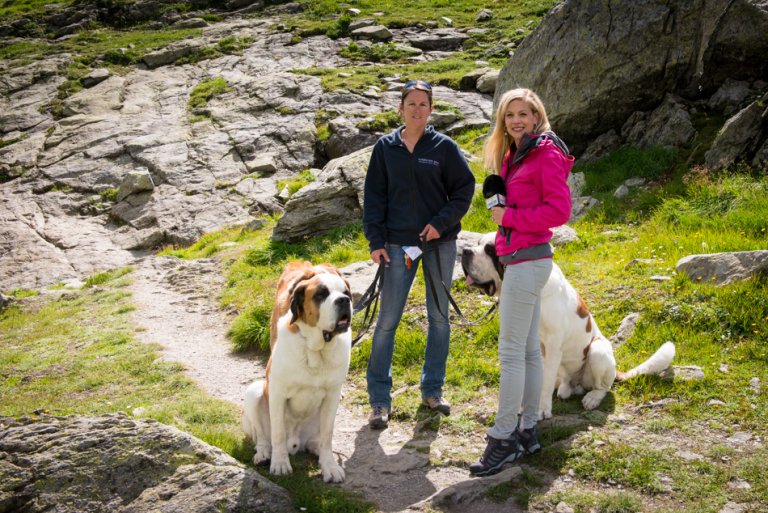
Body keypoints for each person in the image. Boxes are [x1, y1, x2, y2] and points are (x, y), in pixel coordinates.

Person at [469, 88, 573, 476]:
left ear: (536, 117)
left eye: (523, 114)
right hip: (522, 260)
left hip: (529, 260)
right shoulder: (518, 154)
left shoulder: (544, 152)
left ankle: (502, 438)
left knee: (511, 353)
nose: (515, 120)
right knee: (529, 351)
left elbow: (559, 210)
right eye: (509, 114)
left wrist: (508, 217)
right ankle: (528, 428)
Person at [362, 80, 476, 429]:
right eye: (410, 103)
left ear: (431, 110)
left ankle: (432, 391)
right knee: (387, 323)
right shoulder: (385, 148)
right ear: (401, 108)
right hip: (397, 247)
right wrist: (376, 241)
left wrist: (441, 224)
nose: (416, 109)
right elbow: (374, 198)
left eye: (423, 104)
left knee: (440, 319)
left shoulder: (444, 147)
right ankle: (380, 400)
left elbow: (464, 190)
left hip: (439, 244)